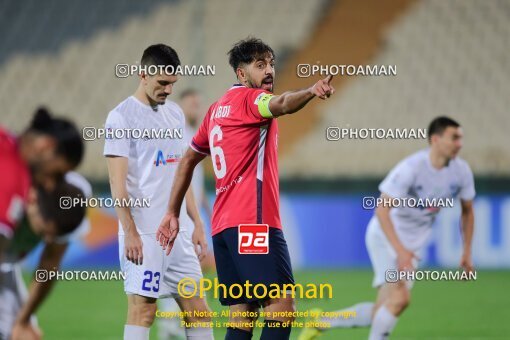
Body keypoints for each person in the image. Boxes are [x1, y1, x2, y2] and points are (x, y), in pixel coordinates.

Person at [156, 37, 335, 340]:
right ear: (241, 74)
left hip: (224, 229)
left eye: (272, 64)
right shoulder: (251, 101)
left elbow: (187, 160)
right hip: (254, 222)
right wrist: (311, 91)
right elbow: (282, 103)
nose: (269, 71)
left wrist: (172, 212)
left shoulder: (215, 111)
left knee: (242, 315)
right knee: (281, 307)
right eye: (260, 65)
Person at [298, 117, 476, 340]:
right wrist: (400, 252)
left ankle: (321, 321)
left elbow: (467, 210)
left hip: (411, 246)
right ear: (436, 139)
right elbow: (382, 210)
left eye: (460, 138)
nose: (459, 143)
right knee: (400, 299)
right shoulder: (411, 168)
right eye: (454, 137)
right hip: (385, 236)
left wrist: (467, 251)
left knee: (383, 309)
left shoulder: (461, 172)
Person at [104, 44, 213, 340]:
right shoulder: (121, 117)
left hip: (179, 234)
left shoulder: (175, 115)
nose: (168, 90)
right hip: (145, 233)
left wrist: (198, 223)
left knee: (199, 310)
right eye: (162, 83)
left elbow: (182, 174)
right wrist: (130, 231)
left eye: (172, 83)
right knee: (144, 311)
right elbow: (117, 183)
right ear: (143, 74)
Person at [157, 89, 214, 340]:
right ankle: (172, 322)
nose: (196, 108)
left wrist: (207, 211)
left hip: (193, 215)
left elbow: (195, 182)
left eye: (198, 103)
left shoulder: (198, 137)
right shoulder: (177, 135)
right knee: (180, 268)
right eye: (192, 103)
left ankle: (176, 322)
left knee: (193, 269)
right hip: (178, 215)